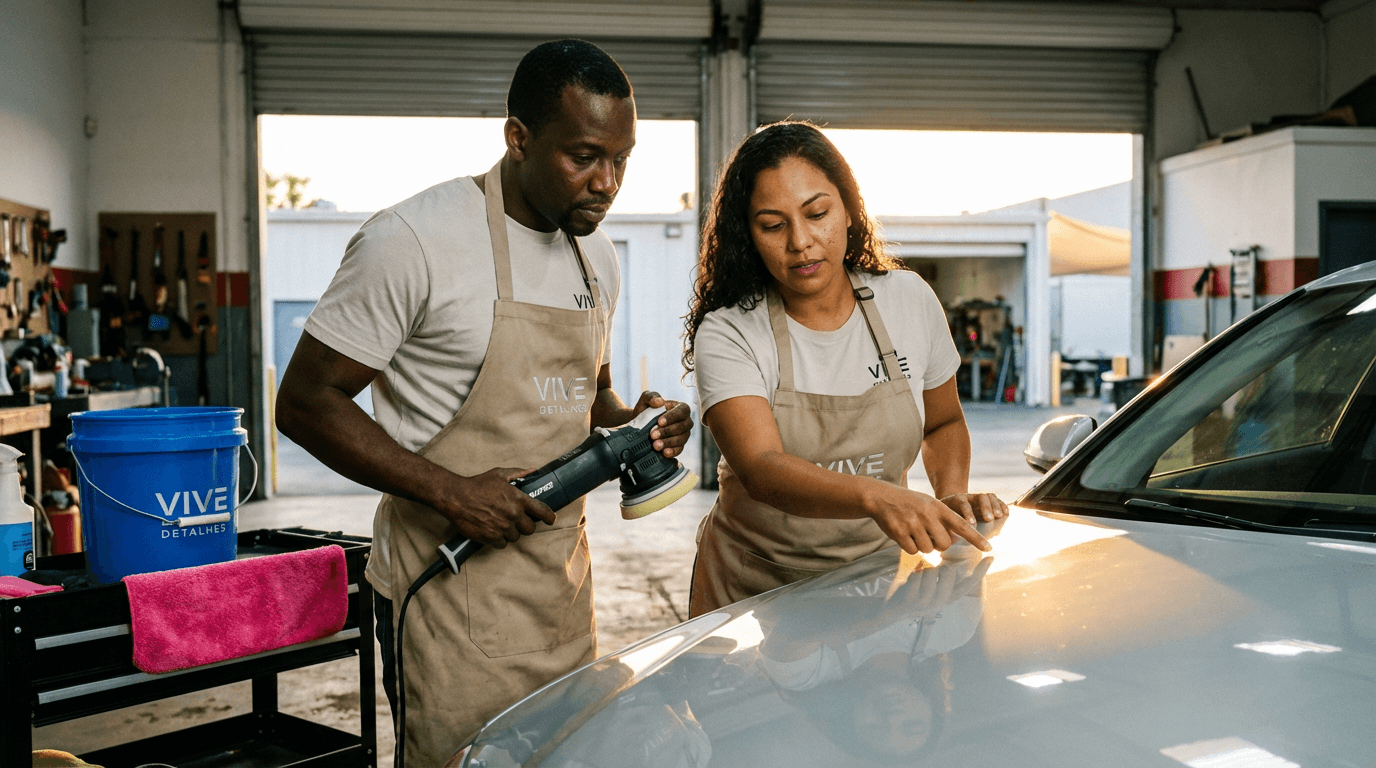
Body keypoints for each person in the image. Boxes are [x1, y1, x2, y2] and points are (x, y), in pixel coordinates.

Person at [276, 39, 694, 765]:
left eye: (622, 160)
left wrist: (632, 423)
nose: (607, 183)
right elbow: (306, 402)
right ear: (518, 138)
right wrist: (449, 492)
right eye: (585, 157)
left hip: (560, 592)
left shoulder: (596, 254)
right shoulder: (414, 240)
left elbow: (584, 396)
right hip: (446, 594)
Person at [684, 121, 1006, 617]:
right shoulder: (731, 332)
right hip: (754, 587)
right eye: (773, 225)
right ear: (747, 235)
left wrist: (952, 496)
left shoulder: (908, 300)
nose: (801, 241)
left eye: (817, 214)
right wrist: (880, 498)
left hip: (875, 575)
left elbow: (942, 422)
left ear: (850, 211)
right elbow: (762, 469)